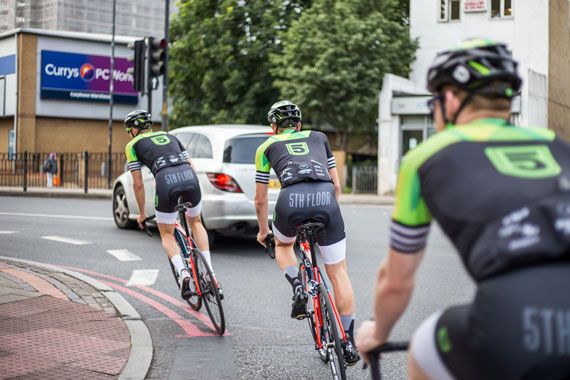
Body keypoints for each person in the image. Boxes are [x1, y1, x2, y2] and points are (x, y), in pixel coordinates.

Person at [356, 38, 570, 380]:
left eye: (434, 101)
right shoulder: (557, 146)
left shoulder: (425, 157)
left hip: (518, 320)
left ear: (452, 98)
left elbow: (397, 281)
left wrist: (377, 333)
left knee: (425, 344)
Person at [255, 100, 360, 365]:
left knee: (283, 246)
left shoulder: (266, 146)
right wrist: (330, 209)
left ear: (274, 126)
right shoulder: (320, 137)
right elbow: (337, 185)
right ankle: (348, 342)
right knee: (338, 272)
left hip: (290, 202)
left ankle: (299, 286)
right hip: (325, 200)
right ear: (299, 123)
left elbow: (260, 200)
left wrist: (263, 230)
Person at [124, 110, 217, 299]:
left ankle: (183, 272)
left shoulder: (132, 145)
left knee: (166, 233)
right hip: (190, 178)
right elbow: (191, 165)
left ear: (133, 129)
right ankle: (211, 274)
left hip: (166, 182)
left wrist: (141, 214)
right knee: (196, 222)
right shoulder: (170, 135)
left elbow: (138, 183)